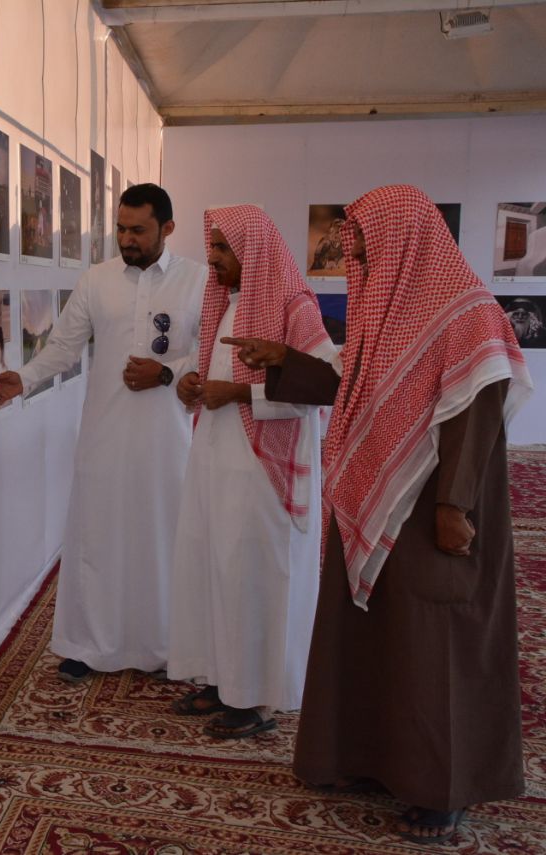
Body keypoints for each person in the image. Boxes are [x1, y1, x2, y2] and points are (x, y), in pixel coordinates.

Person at [228, 185, 532, 844]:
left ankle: (444, 785)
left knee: (435, 643)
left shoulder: (468, 315)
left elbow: (476, 411)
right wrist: (285, 361)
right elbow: (353, 385)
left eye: (360, 237)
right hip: (376, 494)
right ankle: (367, 756)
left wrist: (454, 504)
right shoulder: (382, 310)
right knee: (373, 635)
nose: (350, 248)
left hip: (435, 509)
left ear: (402, 236)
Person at [0, 183, 208, 681]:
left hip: (168, 438)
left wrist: (166, 371)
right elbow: (63, 347)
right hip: (104, 433)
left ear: (168, 228)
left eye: (138, 230)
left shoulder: (198, 282)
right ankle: (88, 644)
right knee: (97, 536)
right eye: (121, 229)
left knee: (161, 536)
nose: (126, 238)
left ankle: (165, 646)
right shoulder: (96, 280)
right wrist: (25, 378)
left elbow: (212, 353)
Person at [166, 205, 335, 738]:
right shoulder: (227, 304)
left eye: (221, 248)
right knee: (214, 568)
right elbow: (207, 369)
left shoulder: (295, 307)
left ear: (252, 251)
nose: (211, 258)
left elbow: (323, 385)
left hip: (265, 473)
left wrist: (239, 392)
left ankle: (257, 699)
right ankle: (222, 681)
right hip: (216, 459)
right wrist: (188, 385)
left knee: (254, 579)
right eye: (211, 247)